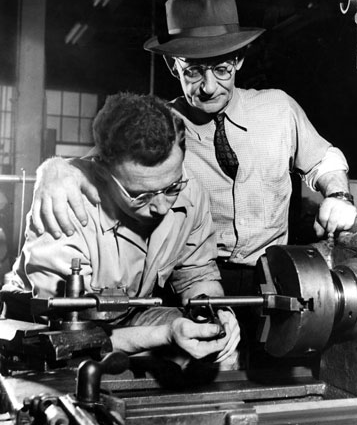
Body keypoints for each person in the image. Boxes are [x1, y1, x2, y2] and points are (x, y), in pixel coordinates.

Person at [29, 0, 357, 297]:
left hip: (276, 276)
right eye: (194, 72)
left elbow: (323, 160)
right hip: (192, 282)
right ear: (174, 66)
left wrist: (338, 195)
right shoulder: (160, 126)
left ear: (240, 59)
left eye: (222, 69)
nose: (209, 87)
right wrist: (53, 170)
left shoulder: (279, 109)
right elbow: (96, 168)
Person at [1, 92, 240, 367]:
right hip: (43, 334)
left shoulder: (191, 191)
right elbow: (66, 339)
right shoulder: (65, 210)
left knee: (217, 352)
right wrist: (165, 334)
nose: (161, 207)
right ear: (103, 172)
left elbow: (196, 275)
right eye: (140, 195)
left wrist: (216, 313)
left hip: (130, 316)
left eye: (172, 187)